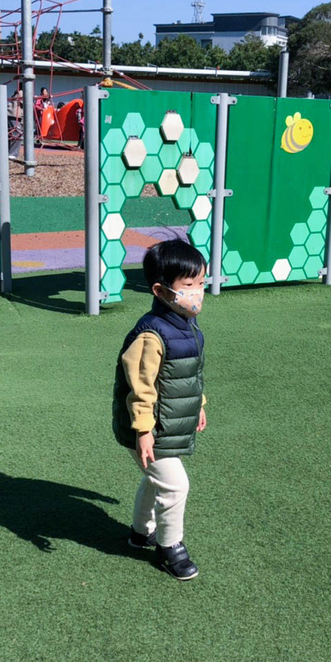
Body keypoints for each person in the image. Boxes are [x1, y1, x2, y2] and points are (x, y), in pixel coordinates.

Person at [112, 239, 208, 581]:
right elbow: (141, 387)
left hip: (167, 423)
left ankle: (141, 533)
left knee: (156, 480)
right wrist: (142, 431)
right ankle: (170, 547)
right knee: (175, 485)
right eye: (188, 286)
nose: (197, 292)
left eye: (201, 284)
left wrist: (198, 405)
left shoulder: (185, 323)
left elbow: (187, 375)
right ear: (160, 290)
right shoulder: (151, 335)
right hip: (147, 428)